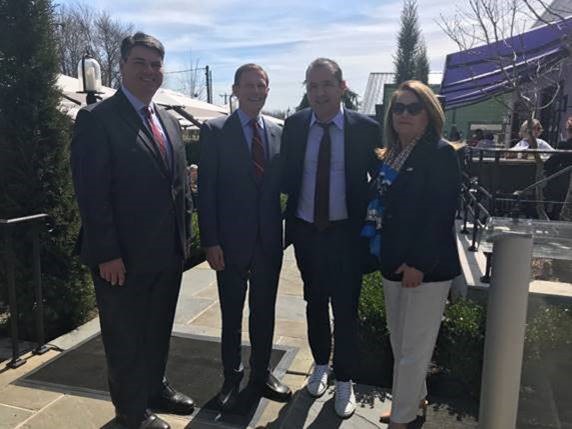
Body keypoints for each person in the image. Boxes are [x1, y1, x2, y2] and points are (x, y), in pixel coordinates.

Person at [71, 32, 194, 429]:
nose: (149, 71)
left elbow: (178, 188)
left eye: (156, 64)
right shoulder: (97, 120)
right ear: (121, 66)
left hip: (166, 254)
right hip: (121, 258)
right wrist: (107, 253)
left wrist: (184, 242)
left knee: (158, 330)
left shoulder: (169, 121)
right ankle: (131, 411)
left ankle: (155, 388)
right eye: (139, 62)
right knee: (125, 339)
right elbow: (92, 193)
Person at [281, 58, 380, 419]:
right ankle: (320, 364)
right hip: (307, 233)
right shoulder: (294, 126)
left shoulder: (366, 129)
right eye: (312, 86)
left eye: (326, 85)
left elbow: (385, 179)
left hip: (347, 236)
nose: (319, 93)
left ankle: (345, 380)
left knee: (346, 309)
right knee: (314, 302)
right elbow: (284, 176)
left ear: (342, 87)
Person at [361, 80, 461, 428]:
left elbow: (439, 215)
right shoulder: (392, 154)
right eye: (398, 108)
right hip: (392, 260)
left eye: (412, 108)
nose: (404, 114)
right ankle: (415, 398)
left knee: (412, 348)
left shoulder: (440, 153)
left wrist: (418, 263)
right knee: (401, 340)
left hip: (425, 269)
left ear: (429, 113)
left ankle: (402, 418)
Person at [198, 63, 291, 411]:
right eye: (249, 85)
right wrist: (210, 241)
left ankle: (261, 374)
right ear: (235, 89)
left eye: (261, 85)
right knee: (231, 314)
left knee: (264, 311)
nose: (255, 91)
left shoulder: (279, 132)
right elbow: (206, 190)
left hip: (268, 242)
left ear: (268, 90)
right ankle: (231, 377)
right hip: (229, 243)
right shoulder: (215, 130)